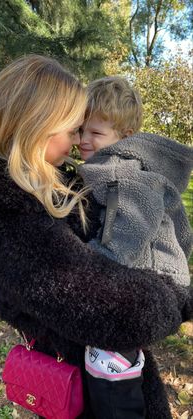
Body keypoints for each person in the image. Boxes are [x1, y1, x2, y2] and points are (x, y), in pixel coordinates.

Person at [0, 55, 191, 419]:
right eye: (71, 129)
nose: (76, 140)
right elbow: (103, 303)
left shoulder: (47, 183)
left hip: (100, 371)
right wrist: (175, 297)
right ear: (38, 125)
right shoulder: (4, 207)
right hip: (88, 386)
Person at [78, 75, 193, 419]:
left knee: (109, 371)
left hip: (135, 285)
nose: (83, 140)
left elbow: (130, 228)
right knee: (119, 360)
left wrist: (90, 266)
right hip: (153, 278)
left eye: (95, 133)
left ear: (124, 137)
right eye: (80, 130)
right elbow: (183, 232)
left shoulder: (124, 172)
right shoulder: (129, 166)